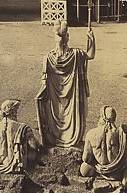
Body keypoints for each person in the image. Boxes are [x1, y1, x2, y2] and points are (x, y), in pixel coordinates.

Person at [35, 21, 96, 150]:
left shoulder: (48, 58)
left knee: (56, 112)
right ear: (67, 38)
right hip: (73, 100)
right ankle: (71, 138)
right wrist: (91, 39)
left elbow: (43, 85)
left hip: (55, 101)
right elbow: (91, 55)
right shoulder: (76, 55)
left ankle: (56, 138)